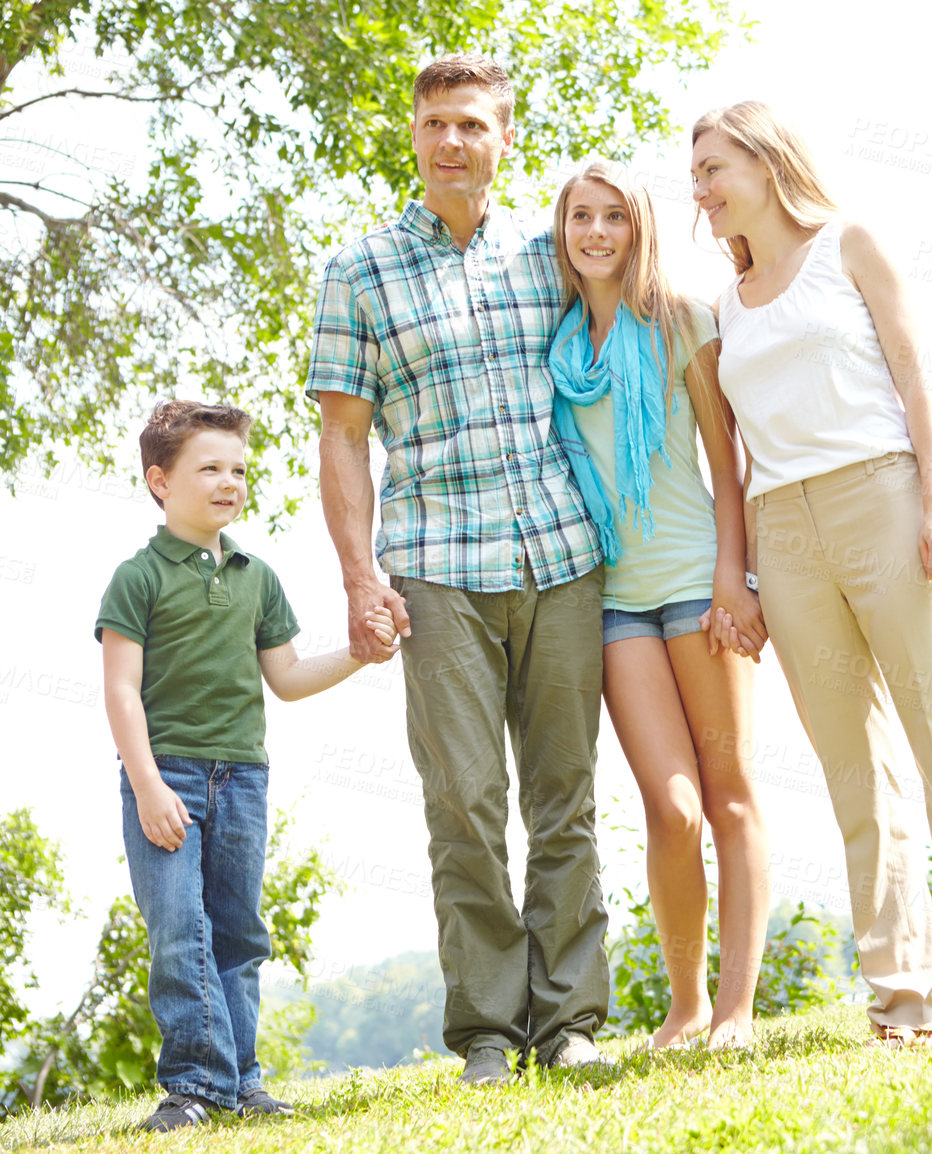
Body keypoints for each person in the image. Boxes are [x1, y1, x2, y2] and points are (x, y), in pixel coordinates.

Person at [306, 54, 611, 1084]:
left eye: (472, 125)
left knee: (564, 793)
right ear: (414, 135)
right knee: (466, 799)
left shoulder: (550, 249)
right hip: (435, 563)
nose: (452, 142)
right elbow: (342, 439)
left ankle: (569, 1017)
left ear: (504, 137)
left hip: (561, 551)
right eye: (436, 123)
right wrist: (358, 577)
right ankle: (488, 1024)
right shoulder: (360, 270)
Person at [689, 102, 932, 1043]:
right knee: (855, 773)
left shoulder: (850, 244)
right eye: (697, 178)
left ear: (763, 159)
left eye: (714, 169)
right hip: (781, 530)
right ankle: (901, 995)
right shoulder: (726, 307)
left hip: (882, 494)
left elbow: (917, 378)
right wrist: (738, 574)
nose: (703, 192)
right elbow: (736, 457)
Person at [97, 400, 398, 1132]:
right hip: (166, 776)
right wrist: (147, 785)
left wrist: (359, 654)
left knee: (236, 931)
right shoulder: (136, 579)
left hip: (244, 779)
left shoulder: (256, 576)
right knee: (178, 928)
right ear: (160, 481)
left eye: (238, 469)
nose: (229, 481)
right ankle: (193, 1086)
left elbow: (288, 678)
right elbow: (119, 692)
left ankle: (242, 1082)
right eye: (210, 468)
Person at [546, 159, 770, 1050]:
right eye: (580, 219)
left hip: (696, 584)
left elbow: (729, 460)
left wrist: (733, 577)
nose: (596, 233)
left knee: (732, 797)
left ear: (639, 229)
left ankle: (736, 1010)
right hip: (612, 599)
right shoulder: (561, 349)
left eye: (614, 218)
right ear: (563, 234)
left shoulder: (684, 323)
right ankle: (683, 1003)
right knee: (670, 808)